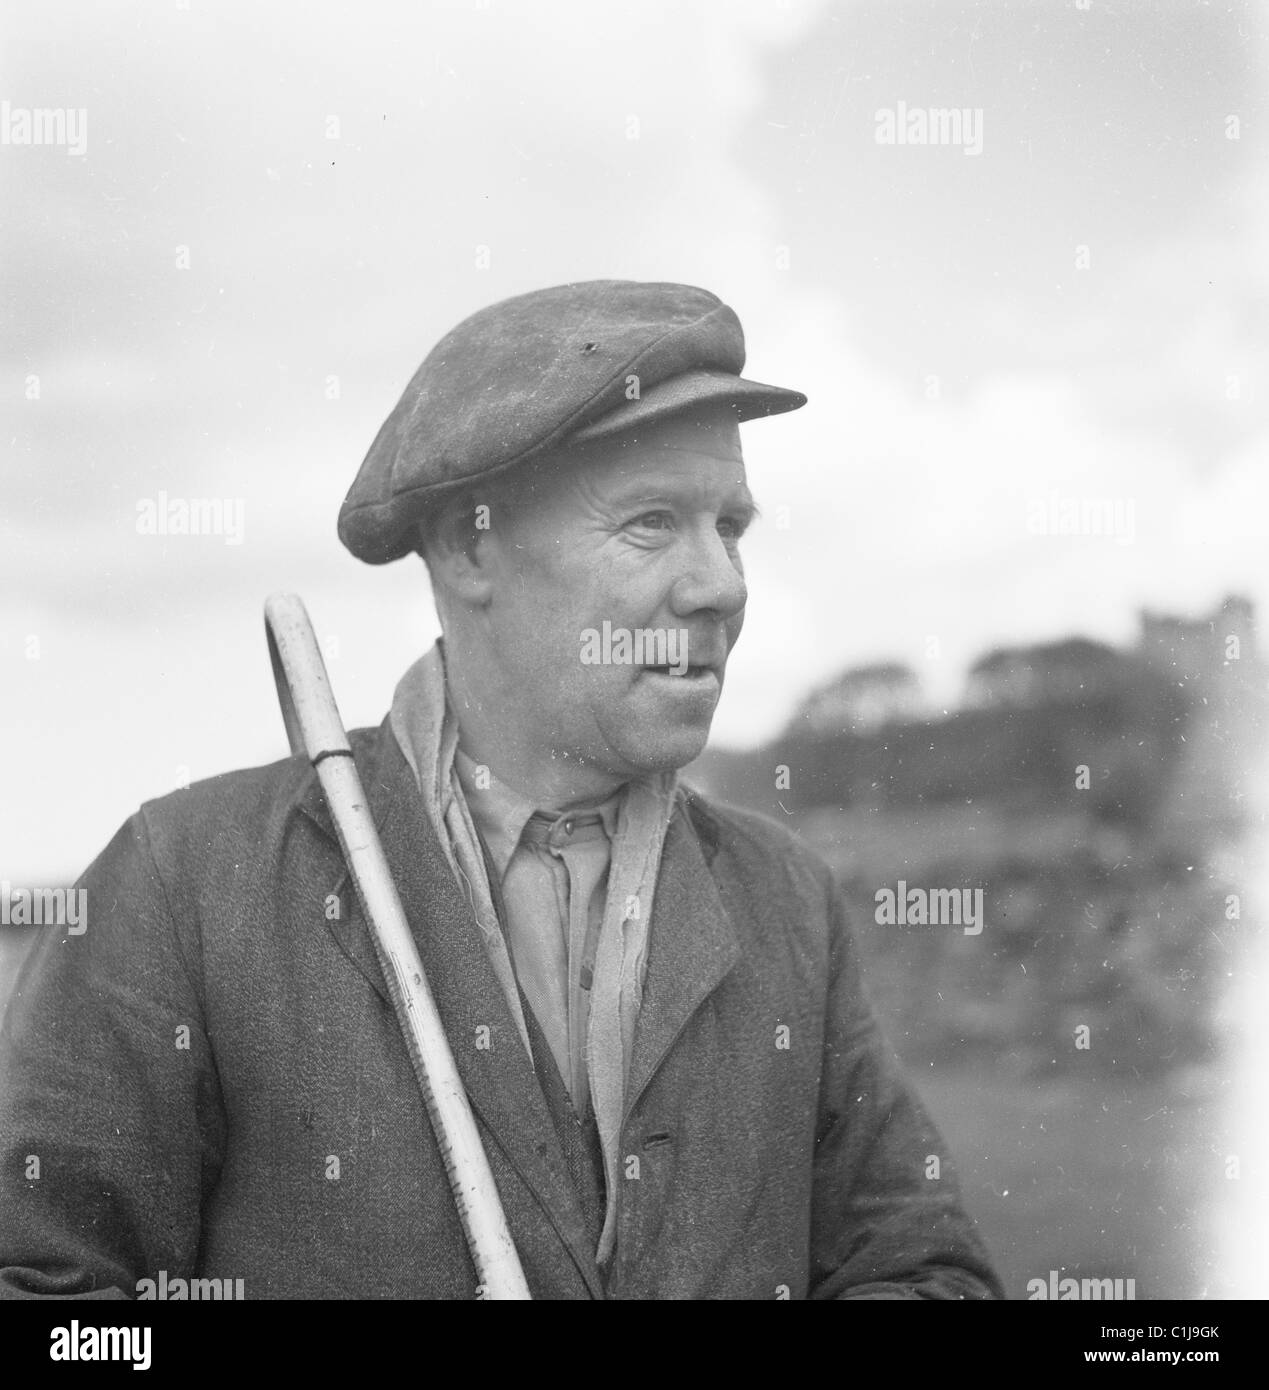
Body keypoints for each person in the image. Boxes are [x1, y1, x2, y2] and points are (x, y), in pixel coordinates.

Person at [0, 280, 1002, 1300]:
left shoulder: (783, 896)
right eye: (652, 523)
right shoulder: (186, 888)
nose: (722, 584)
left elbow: (923, 1268)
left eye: (730, 525)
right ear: (472, 544)